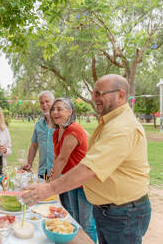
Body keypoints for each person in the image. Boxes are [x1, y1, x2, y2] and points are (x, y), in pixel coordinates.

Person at [22, 74, 151, 244]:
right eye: (93, 93)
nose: (94, 98)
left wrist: (50, 188)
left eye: (99, 93)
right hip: (110, 210)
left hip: (124, 213)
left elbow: (89, 167)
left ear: (121, 95)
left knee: (84, 225)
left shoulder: (122, 127)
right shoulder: (110, 122)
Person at [48, 97, 97, 243]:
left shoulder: (74, 129)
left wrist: (51, 186)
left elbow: (63, 158)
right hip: (71, 180)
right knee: (75, 219)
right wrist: (53, 171)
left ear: (70, 111)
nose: (55, 112)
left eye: (59, 109)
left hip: (84, 181)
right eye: (53, 109)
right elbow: (57, 158)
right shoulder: (56, 132)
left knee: (86, 223)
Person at [22, 91, 55, 178]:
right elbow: (34, 146)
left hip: (58, 172)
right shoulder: (38, 125)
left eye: (47, 101)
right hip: (43, 172)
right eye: (41, 103)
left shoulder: (61, 124)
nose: (44, 105)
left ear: (54, 102)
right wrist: (29, 163)